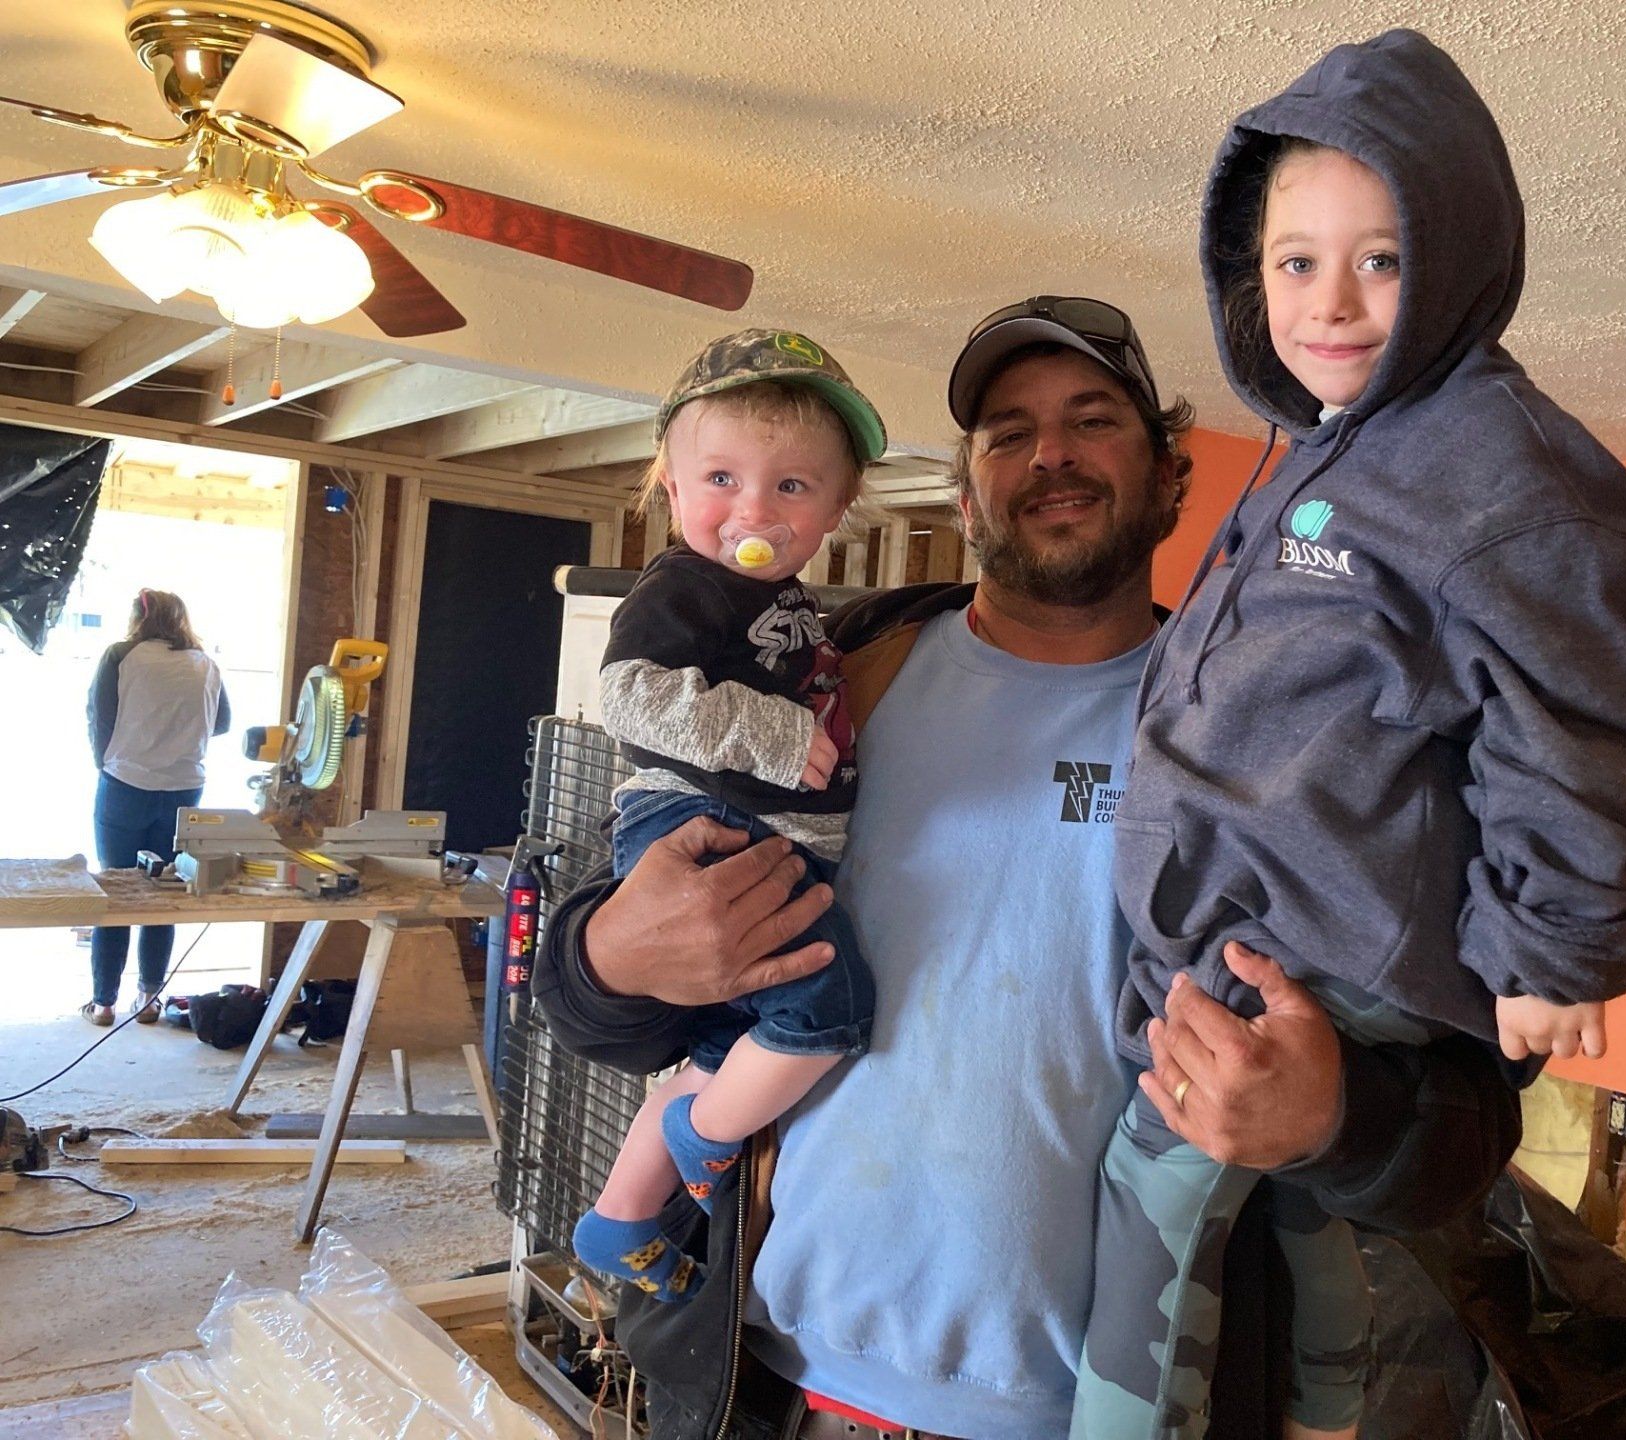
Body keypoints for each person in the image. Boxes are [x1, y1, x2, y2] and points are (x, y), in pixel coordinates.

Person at [535, 297, 1525, 1440]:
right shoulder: (830, 681)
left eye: (1093, 420)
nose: (1050, 453)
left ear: (1170, 479)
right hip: (770, 1389)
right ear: (965, 499)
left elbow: (1468, 1114)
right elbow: (601, 996)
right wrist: (608, 956)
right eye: (1009, 434)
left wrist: (1333, 1116)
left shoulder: (1277, 733)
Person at [1074, 30, 1626, 1440]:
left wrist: (1557, 942)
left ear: (1455, 258)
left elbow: (1575, 710)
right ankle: (1335, 1418)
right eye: (1296, 261)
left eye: (1382, 259)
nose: (1331, 302)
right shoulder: (1334, 452)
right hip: (1276, 932)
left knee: (1153, 1190)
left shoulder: (1507, 468)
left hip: (1321, 943)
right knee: (1312, 1230)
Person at [570, 329, 886, 1303]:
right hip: (703, 821)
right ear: (672, 488)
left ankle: (620, 1217)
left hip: (764, 830)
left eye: (791, 486)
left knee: (725, 1043)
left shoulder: (784, 598)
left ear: (836, 508)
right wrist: (776, 737)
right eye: (720, 479)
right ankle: (701, 1133)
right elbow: (629, 697)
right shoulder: (684, 585)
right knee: (828, 1009)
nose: (752, 510)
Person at [83, 588, 231, 1024]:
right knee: (165, 889)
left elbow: (99, 716)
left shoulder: (120, 655)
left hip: (125, 783)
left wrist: (108, 761)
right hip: (185, 788)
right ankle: (149, 999)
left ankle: (103, 1003)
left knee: (115, 888)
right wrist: (177, 732)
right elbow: (221, 722)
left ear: (138, 619)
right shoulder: (205, 664)